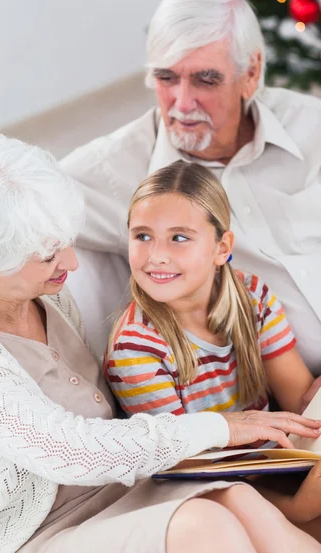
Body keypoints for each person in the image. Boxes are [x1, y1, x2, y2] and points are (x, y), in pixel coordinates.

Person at [0, 133, 321, 553]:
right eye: (50, 254)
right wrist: (220, 427)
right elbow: (71, 450)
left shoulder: (42, 294)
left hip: (114, 496)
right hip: (16, 549)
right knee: (201, 529)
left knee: (237, 499)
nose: (70, 262)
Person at [60, 0, 321, 379]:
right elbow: (14, 199)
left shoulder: (311, 127)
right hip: (294, 390)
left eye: (206, 79)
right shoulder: (115, 170)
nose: (182, 104)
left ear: (251, 73)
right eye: (167, 78)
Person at [105, 161, 315, 418]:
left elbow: (302, 407)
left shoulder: (253, 297)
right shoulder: (135, 348)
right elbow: (182, 454)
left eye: (179, 237)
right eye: (143, 236)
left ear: (222, 248)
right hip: (205, 459)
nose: (157, 256)